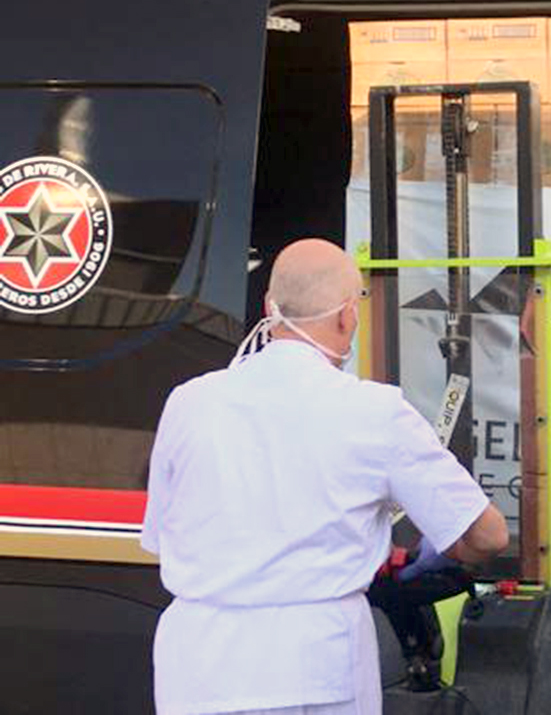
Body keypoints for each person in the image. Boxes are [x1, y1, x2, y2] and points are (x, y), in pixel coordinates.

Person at [141, 238, 508, 715]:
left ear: (268, 307)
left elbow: (161, 538)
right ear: (347, 316)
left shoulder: (187, 403)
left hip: (198, 672)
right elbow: (487, 535)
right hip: (311, 671)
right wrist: (450, 552)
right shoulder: (374, 411)